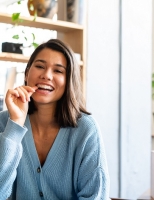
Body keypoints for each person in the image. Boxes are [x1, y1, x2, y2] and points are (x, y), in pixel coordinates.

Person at [0, 39, 110, 200]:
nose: (46, 75)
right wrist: (15, 125)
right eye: (40, 66)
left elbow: (96, 195)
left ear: (68, 81)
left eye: (58, 71)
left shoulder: (86, 129)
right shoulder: (5, 122)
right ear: (27, 74)